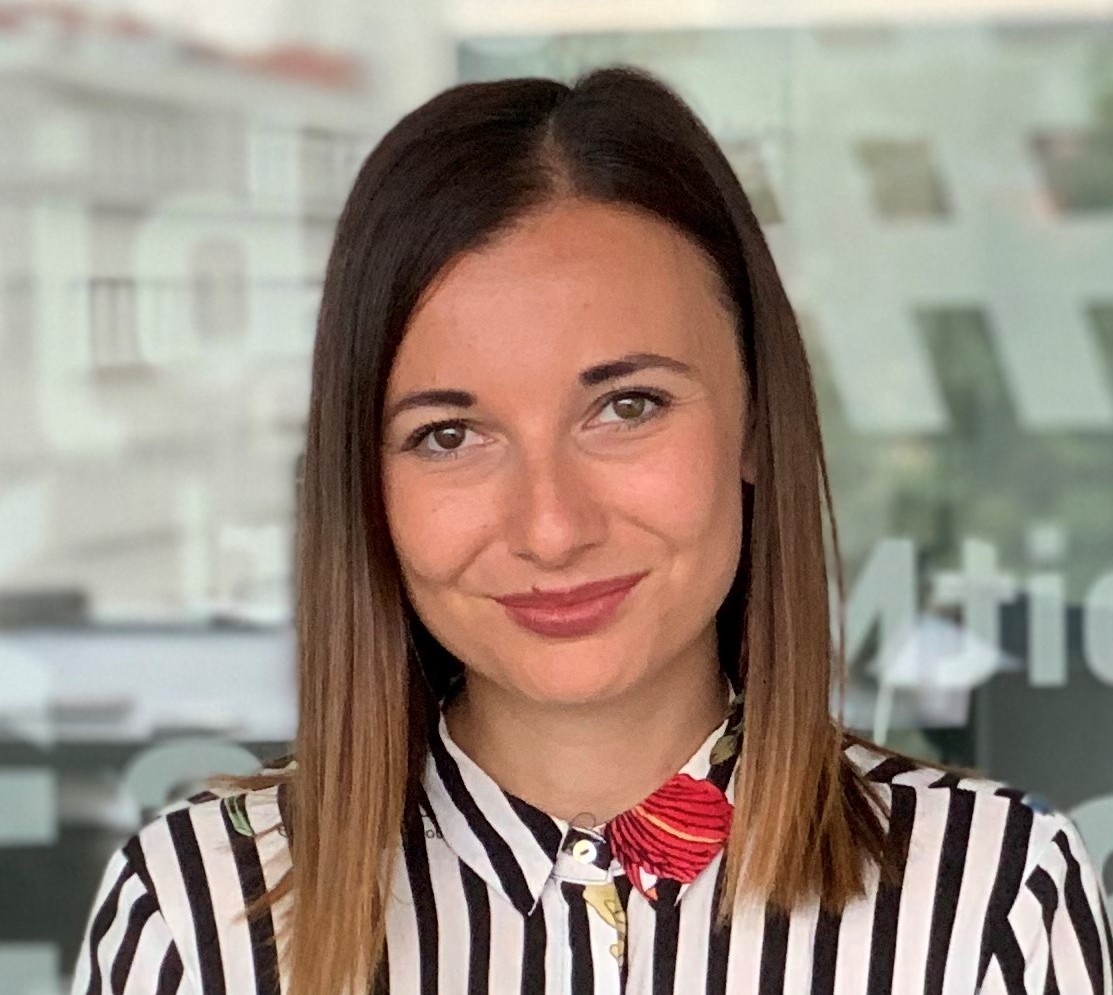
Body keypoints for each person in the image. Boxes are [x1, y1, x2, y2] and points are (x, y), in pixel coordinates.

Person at [71, 66, 1112, 995]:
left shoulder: (991, 897)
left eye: (627, 406)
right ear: (366, 479)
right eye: (448, 434)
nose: (552, 526)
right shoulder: (200, 915)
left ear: (756, 418)